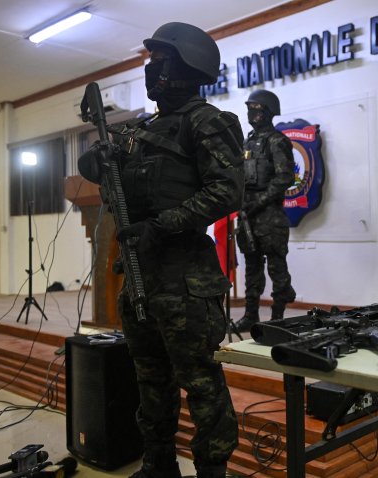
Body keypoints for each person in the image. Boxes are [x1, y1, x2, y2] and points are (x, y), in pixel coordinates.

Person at [78, 22, 244, 478]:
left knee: (201, 382)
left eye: (159, 61)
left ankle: (212, 470)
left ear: (184, 68)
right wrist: (95, 157)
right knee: (150, 379)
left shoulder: (209, 122)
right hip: (139, 277)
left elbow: (228, 192)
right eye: (150, 62)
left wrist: (161, 226)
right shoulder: (140, 130)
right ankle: (158, 463)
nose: (151, 70)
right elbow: (100, 168)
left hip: (185, 279)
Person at [233, 89, 296, 331]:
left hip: (269, 214)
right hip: (248, 214)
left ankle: (277, 318)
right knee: (252, 266)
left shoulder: (277, 141)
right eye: (249, 107)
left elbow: (285, 177)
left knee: (277, 268)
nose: (251, 113)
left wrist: (258, 202)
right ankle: (250, 316)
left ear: (268, 111)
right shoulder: (248, 141)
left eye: (256, 108)